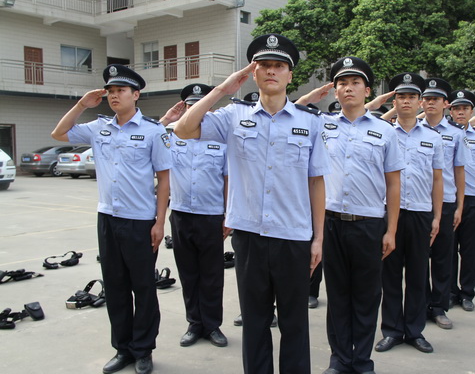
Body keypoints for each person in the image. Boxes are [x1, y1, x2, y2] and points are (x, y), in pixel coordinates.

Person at [174, 34, 330, 374]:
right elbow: (183, 130)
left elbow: (316, 182)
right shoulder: (233, 115)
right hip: (249, 235)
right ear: (253, 73)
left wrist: (318, 238)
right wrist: (222, 89)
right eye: (265, 66)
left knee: (294, 323)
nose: (271, 71)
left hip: (293, 236)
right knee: (255, 322)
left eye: (279, 66)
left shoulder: (310, 122)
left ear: (290, 75)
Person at [51, 64, 172, 374]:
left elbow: (164, 179)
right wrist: (82, 104)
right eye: (111, 91)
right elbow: (59, 133)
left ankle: (143, 350)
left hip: (140, 221)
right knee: (115, 288)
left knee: (143, 288)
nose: (114, 95)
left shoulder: (153, 131)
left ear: (136, 95)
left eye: (121, 90)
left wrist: (159, 222)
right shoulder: (98, 127)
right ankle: (123, 349)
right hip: (107, 218)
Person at [299, 56, 402, 373]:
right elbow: (293, 112)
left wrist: (391, 230)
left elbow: (394, 183)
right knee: (338, 295)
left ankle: (362, 360)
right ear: (334, 91)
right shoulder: (322, 125)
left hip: (369, 225)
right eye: (342, 83)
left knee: (367, 296)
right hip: (331, 223)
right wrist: (313, 95)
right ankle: (340, 359)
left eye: (355, 83)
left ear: (367, 91)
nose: (348, 88)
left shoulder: (385, 131)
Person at [374, 72, 444, 354]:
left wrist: (437, 216)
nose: (406, 101)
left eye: (412, 97)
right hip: (389, 213)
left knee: (417, 274)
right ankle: (392, 330)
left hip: (419, 213)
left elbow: (437, 179)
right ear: (394, 101)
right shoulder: (383, 132)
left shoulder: (433, 138)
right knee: (389, 275)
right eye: (401, 96)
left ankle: (415, 331)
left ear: (420, 102)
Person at [158, 83, 230, 348]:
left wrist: (227, 215)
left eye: (200, 105)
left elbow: (228, 179)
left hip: (211, 216)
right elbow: (147, 138)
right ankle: (194, 324)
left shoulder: (221, 140)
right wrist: (167, 119)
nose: (195, 110)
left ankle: (212, 326)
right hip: (181, 214)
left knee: (212, 275)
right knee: (188, 273)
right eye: (190, 106)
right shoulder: (170, 137)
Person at [421, 78, 468, 330]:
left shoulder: (456, 134)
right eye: (427, 99)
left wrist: (460, 206)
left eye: (435, 99)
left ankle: (439, 307)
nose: (431, 103)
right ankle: (420, 306)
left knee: (442, 257)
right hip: (418, 203)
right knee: (418, 259)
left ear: (445, 104)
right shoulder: (410, 129)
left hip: (447, 201)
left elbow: (459, 171)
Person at [447, 90, 475, 311]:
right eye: (457, 108)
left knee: (470, 248)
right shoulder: (442, 134)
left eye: (465, 108)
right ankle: (449, 292)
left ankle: (467, 292)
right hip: (449, 198)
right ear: (451, 111)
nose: (460, 112)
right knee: (448, 249)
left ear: (472, 112)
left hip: (473, 198)